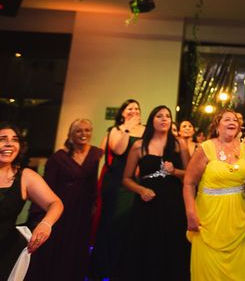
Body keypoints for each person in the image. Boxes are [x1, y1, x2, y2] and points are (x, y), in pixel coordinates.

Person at [184, 109, 245, 281]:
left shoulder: (244, 149)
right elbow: (189, 183)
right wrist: (190, 212)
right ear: (217, 126)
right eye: (227, 119)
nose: (232, 122)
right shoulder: (206, 148)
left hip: (237, 217)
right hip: (210, 217)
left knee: (243, 269)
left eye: (235, 120)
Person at [26, 118, 102, 281]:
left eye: (87, 130)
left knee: (79, 248)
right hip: (62, 210)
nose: (84, 134)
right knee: (59, 248)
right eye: (79, 131)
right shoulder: (58, 158)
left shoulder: (96, 154)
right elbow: (47, 185)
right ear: (70, 135)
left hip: (84, 212)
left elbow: (97, 183)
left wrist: (96, 206)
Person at [120, 105, 190, 280]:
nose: (164, 119)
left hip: (173, 202)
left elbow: (190, 174)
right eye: (159, 116)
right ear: (152, 120)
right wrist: (141, 189)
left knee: (172, 244)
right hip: (147, 202)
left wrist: (174, 171)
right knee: (146, 243)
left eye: (168, 116)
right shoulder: (139, 146)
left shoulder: (179, 144)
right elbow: (126, 179)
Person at [0, 123, 63, 280]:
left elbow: (55, 203)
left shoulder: (25, 176)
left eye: (14, 139)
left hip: (5, 251)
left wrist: (45, 224)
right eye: (2, 139)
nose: (9, 143)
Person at [91, 99, 145, 279]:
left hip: (138, 181)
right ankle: (106, 267)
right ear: (122, 113)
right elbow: (120, 151)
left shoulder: (145, 130)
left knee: (131, 225)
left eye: (137, 108)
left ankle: (125, 268)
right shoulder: (115, 130)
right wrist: (127, 129)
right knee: (114, 224)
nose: (134, 111)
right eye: (130, 108)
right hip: (118, 182)